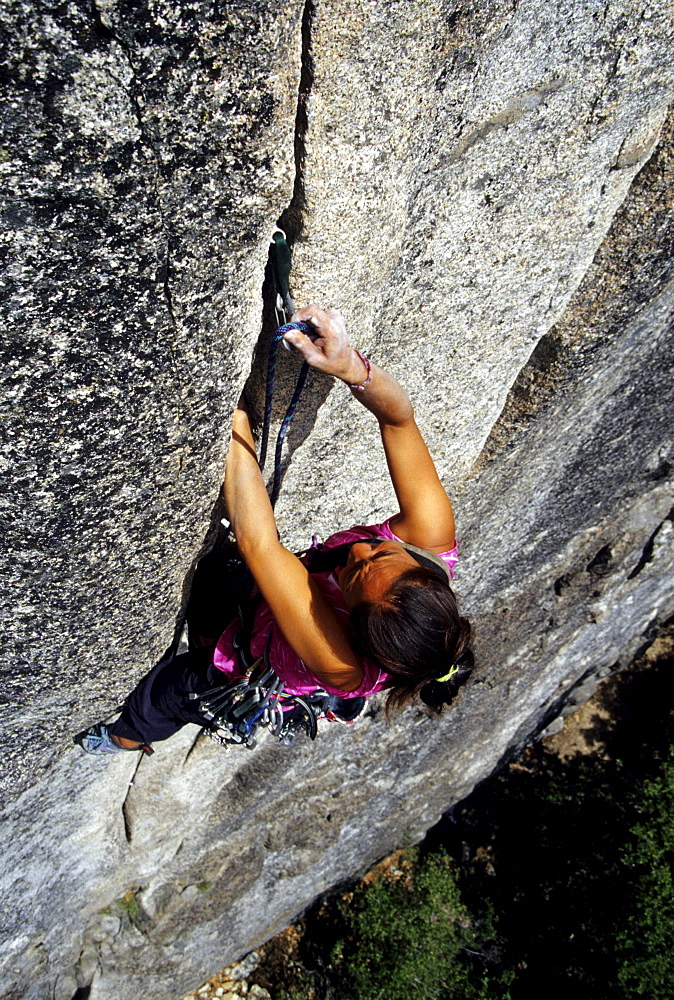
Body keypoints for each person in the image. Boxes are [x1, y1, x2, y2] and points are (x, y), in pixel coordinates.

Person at [75, 306, 472, 756]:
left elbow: (259, 544)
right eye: (382, 554)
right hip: (259, 596)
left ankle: (125, 738)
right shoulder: (429, 540)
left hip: (249, 654)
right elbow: (399, 420)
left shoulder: (342, 663)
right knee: (219, 582)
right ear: (421, 568)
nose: (359, 554)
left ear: (353, 625)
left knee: (172, 694)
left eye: (354, 580)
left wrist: (235, 420)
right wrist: (349, 367)